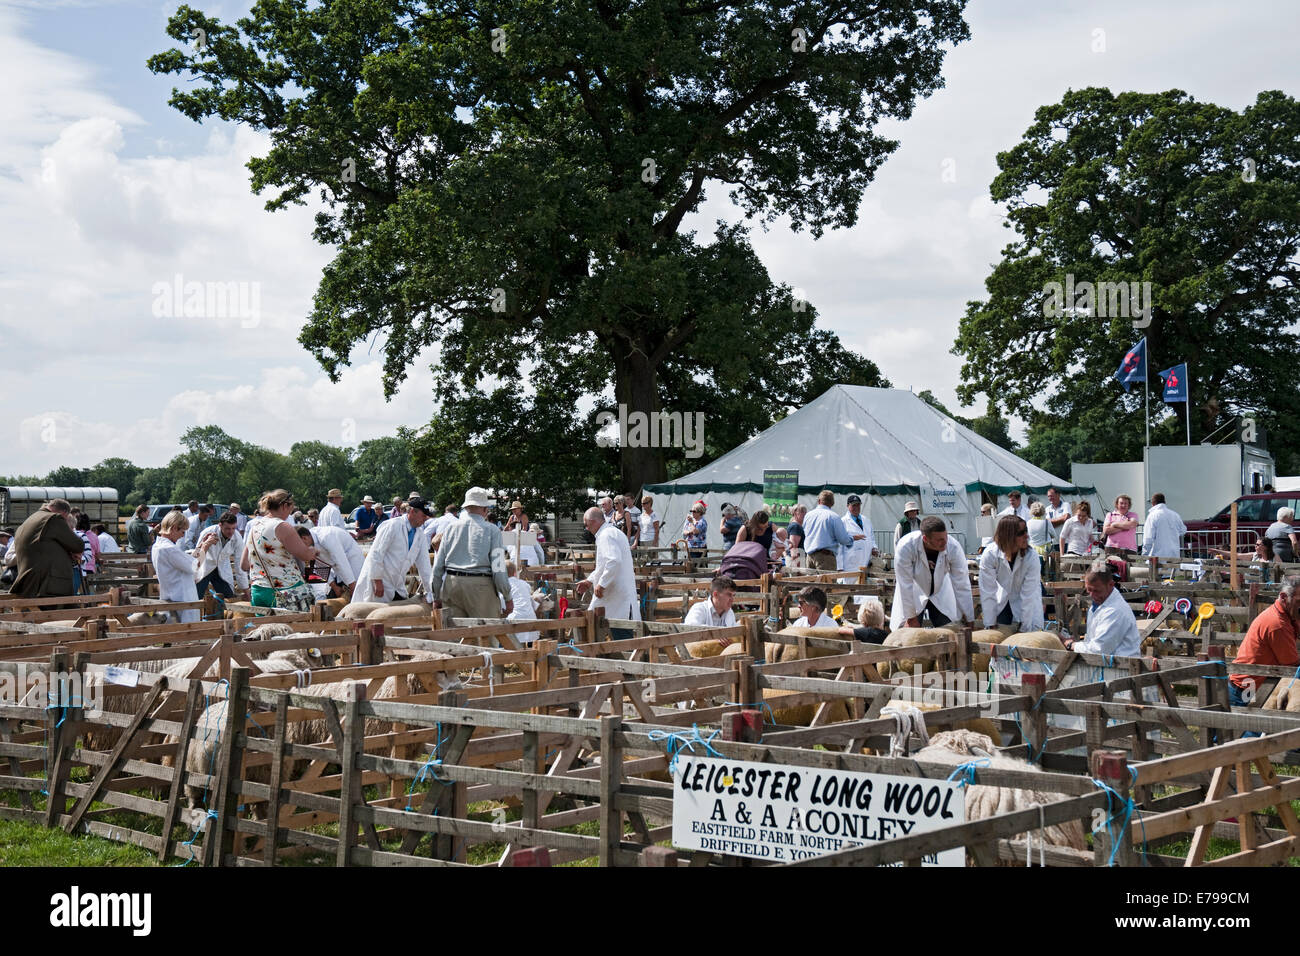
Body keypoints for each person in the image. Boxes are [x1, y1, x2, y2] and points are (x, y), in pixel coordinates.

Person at [431, 487, 512, 621]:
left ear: (466, 507)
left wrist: (436, 596)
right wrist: (507, 596)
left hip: (452, 585)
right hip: (481, 588)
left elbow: (438, 567)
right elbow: (498, 568)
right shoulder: (492, 530)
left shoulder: (450, 528)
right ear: (485, 509)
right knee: (485, 637)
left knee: (454, 637)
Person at [1229, 574, 1300, 712]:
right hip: (1246, 687)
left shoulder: (1287, 615)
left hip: (1253, 683)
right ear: (1284, 597)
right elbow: (1292, 665)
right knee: (1243, 729)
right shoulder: (1277, 624)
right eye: (1299, 601)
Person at [240, 489, 319, 611]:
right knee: (295, 629)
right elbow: (306, 556)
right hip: (285, 590)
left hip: (258, 591)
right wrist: (313, 550)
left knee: (265, 629)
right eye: (290, 508)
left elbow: (244, 565)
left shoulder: (254, 527)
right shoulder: (282, 526)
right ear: (284, 506)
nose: (290, 512)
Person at [891, 516, 974, 630]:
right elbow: (905, 584)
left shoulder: (953, 547)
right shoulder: (906, 546)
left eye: (945, 537)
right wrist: (910, 618)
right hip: (914, 592)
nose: (944, 542)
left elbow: (962, 583)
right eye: (939, 540)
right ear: (925, 539)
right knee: (908, 634)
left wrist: (969, 617)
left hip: (940, 592)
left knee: (950, 632)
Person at [354, 497, 435, 605]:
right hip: (377, 583)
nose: (425, 519)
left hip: (397, 585)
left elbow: (424, 565)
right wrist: (378, 581)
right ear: (412, 512)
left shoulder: (420, 535)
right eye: (423, 515)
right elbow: (376, 554)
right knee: (369, 615)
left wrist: (431, 592)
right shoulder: (392, 526)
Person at [576, 506, 641, 624]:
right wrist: (589, 581)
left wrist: (601, 584)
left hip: (616, 596)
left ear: (593, 522)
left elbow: (614, 561)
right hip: (615, 595)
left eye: (586, 524)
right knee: (603, 628)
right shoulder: (611, 532)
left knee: (620, 633)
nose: (587, 528)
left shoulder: (606, 535)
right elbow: (605, 565)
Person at [978, 515, 1044, 631]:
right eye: (1021, 533)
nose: (1026, 536)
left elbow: (1028, 595)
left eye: (1026, 531)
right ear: (1008, 536)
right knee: (997, 636)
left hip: (1028, 605)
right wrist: (990, 622)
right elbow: (987, 591)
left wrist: (1025, 628)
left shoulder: (1031, 556)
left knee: (1028, 638)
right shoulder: (990, 554)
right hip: (1003, 601)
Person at [1061, 561, 1141, 657]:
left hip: (1122, 668)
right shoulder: (1098, 605)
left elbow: (1099, 649)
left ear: (1111, 584)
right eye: (1088, 590)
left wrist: (1071, 645)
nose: (1092, 595)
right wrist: (1080, 644)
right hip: (1108, 666)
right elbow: (1094, 641)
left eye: (1096, 591)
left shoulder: (1116, 610)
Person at [10, 498, 85, 598]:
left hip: (28, 582)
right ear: (64, 513)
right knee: (63, 611)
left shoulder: (29, 520)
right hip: (47, 584)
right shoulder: (54, 518)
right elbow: (78, 545)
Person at [151, 510, 200, 621]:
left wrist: (200, 547)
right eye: (182, 532)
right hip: (182, 600)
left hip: (170, 597)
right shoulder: (170, 549)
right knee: (187, 635)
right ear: (173, 528)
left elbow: (185, 561)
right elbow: (194, 566)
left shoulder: (157, 546)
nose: (182, 536)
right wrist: (205, 548)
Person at [299, 523, 366, 598]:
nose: (299, 547)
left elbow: (341, 561)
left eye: (299, 544)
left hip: (352, 559)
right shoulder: (309, 543)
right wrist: (334, 586)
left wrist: (352, 586)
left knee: (359, 593)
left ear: (304, 538)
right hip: (337, 566)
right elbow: (319, 566)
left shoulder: (326, 536)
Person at [194, 511, 249, 599]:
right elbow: (197, 555)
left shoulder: (237, 537)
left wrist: (246, 590)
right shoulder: (208, 532)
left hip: (222, 568)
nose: (231, 532)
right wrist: (206, 545)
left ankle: (220, 612)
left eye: (233, 528)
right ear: (220, 525)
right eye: (227, 528)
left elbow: (240, 564)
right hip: (205, 567)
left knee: (228, 596)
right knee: (196, 596)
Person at [802, 491, 854, 572]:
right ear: (832, 503)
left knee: (811, 584)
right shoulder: (833, 517)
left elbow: (806, 532)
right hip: (825, 557)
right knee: (827, 584)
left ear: (819, 501)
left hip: (809, 556)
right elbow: (842, 539)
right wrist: (851, 539)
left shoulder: (808, 516)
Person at [1141, 493, 1186, 560]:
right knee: (1173, 570)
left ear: (1153, 503)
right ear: (1164, 502)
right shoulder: (1175, 515)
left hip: (1158, 556)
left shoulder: (1152, 516)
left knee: (1158, 570)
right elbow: (1183, 530)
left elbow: (1148, 538)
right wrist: (1172, 534)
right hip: (1174, 554)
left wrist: (1144, 555)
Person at [504, 561, 540, 643]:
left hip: (514, 619)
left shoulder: (504, 585)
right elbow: (533, 605)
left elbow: (502, 607)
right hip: (531, 619)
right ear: (514, 572)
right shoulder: (524, 584)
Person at [839, 494, 875, 572]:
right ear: (847, 506)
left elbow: (871, 538)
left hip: (865, 562)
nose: (856, 508)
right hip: (849, 564)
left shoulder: (866, 521)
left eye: (858, 505)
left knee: (863, 583)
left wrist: (874, 547)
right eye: (854, 505)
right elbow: (839, 545)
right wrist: (839, 566)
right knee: (849, 584)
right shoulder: (843, 522)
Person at [74, 512, 100, 585]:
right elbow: (98, 553)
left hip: (77, 568)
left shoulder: (74, 534)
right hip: (90, 568)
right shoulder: (94, 536)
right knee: (89, 590)